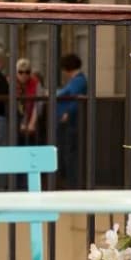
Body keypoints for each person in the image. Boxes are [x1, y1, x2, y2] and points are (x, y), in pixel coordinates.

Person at [54, 53, 89, 188]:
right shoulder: (75, 81)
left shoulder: (78, 81)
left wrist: (67, 113)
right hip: (67, 123)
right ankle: (69, 182)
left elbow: (76, 98)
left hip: (71, 123)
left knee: (70, 153)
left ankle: (72, 183)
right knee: (67, 152)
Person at [15, 58, 44, 143]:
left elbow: (38, 104)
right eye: (20, 72)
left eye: (27, 72)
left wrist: (32, 123)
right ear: (16, 72)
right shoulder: (11, 83)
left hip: (31, 118)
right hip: (15, 121)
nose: (24, 75)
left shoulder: (36, 83)